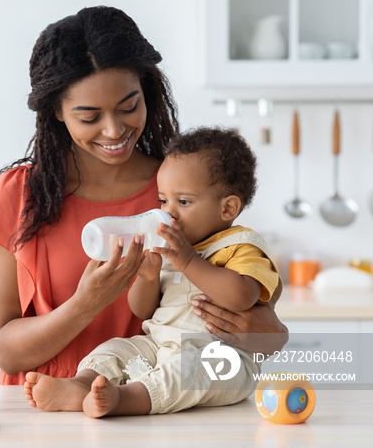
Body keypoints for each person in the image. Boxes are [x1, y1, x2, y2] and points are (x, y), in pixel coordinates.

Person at [0, 6, 288, 386]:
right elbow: (7, 353)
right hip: (45, 412)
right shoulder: (18, 196)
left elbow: (256, 319)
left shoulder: (183, 192)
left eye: (129, 107)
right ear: (57, 110)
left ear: (146, 92)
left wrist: (271, 334)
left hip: (159, 407)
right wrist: (86, 303)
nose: (113, 129)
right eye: (89, 117)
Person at [23, 126, 282, 417]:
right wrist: (146, 278)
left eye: (183, 202)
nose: (169, 212)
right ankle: (81, 385)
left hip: (220, 357)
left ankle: (124, 400)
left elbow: (241, 297)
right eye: (163, 200)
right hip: (158, 345)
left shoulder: (242, 245)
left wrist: (188, 262)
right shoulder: (172, 247)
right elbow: (142, 311)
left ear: (228, 208)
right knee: (116, 349)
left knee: (190, 371)